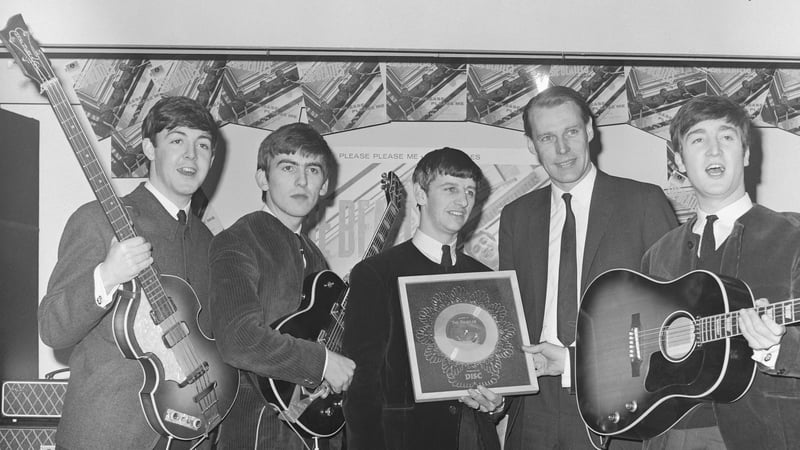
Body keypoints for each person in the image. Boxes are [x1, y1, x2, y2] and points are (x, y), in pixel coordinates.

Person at [497, 86, 678, 449]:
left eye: (571, 132)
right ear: (531, 146)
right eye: (547, 137)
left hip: (618, 406)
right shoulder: (515, 217)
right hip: (533, 408)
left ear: (590, 130)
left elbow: (672, 319)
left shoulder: (643, 202)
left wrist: (574, 362)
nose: (562, 149)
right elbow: (508, 317)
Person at [39, 96, 220, 449]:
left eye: (203, 145)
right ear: (149, 148)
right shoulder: (99, 218)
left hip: (189, 434)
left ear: (212, 159)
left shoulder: (209, 242)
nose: (191, 155)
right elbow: (51, 327)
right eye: (177, 140)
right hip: (108, 432)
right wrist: (105, 276)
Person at [641, 95, 800, 450]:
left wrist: (777, 346)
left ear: (745, 153)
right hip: (669, 433)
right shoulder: (657, 255)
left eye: (726, 138)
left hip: (763, 434)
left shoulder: (794, 237)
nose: (714, 151)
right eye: (698, 139)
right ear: (679, 159)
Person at [342, 148, 502, 450]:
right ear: (420, 193)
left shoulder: (486, 278)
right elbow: (362, 389)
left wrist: (495, 404)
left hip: (474, 440)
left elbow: (496, 375)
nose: (463, 201)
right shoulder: (376, 274)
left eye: (469, 191)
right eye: (450, 188)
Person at [208, 122, 355, 449]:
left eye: (312, 169)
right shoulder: (238, 241)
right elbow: (238, 340)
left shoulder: (314, 257)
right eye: (288, 167)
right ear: (263, 178)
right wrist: (324, 362)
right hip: (259, 434)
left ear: (325, 184)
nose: (302, 180)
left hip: (317, 434)